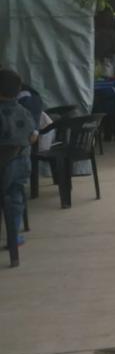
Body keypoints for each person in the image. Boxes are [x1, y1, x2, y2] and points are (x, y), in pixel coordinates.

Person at [0, 69, 38, 267]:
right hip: (19, 166)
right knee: (15, 200)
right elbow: (32, 136)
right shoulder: (24, 111)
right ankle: (13, 238)